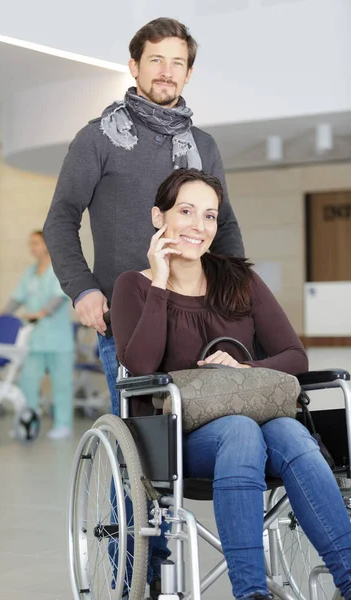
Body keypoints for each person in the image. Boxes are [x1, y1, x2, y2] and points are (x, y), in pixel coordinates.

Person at [111, 168, 351, 600]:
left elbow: (295, 357)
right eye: (186, 211)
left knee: (293, 431)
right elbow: (140, 366)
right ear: (157, 217)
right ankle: (251, 593)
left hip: (258, 426)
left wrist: (243, 369)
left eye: (209, 216)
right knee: (240, 430)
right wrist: (161, 281)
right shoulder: (134, 287)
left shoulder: (240, 280)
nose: (198, 227)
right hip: (178, 441)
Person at [43, 17, 244, 418]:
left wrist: (237, 300)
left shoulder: (204, 145)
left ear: (188, 73)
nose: (166, 72)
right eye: (156, 60)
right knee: (143, 447)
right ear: (134, 66)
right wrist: (82, 289)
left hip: (198, 316)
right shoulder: (99, 137)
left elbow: (225, 227)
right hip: (127, 320)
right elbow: (60, 219)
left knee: (208, 434)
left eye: (177, 63)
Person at [4, 231, 74, 440]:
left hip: (58, 340)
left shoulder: (57, 270)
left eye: (36, 243)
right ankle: (27, 423)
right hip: (34, 340)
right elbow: (16, 298)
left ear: (47, 244)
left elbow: (58, 299)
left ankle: (63, 425)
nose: (32, 247)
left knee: (61, 385)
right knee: (28, 384)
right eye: (31, 244)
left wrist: (40, 313)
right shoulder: (30, 272)